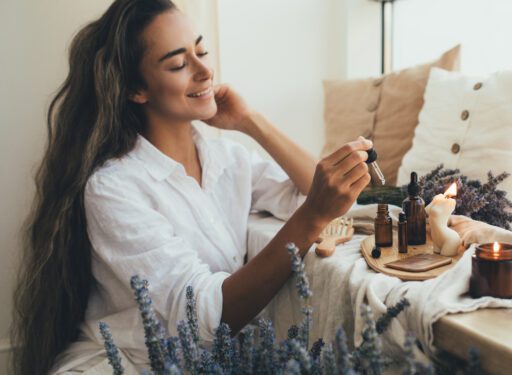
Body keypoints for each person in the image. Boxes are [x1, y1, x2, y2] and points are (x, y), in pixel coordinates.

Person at [11, 0, 372, 373]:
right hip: (125, 364)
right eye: (179, 64)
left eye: (201, 51)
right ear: (137, 89)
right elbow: (206, 314)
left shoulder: (227, 159)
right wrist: (313, 214)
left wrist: (252, 122)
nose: (204, 71)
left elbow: (310, 190)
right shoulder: (113, 188)